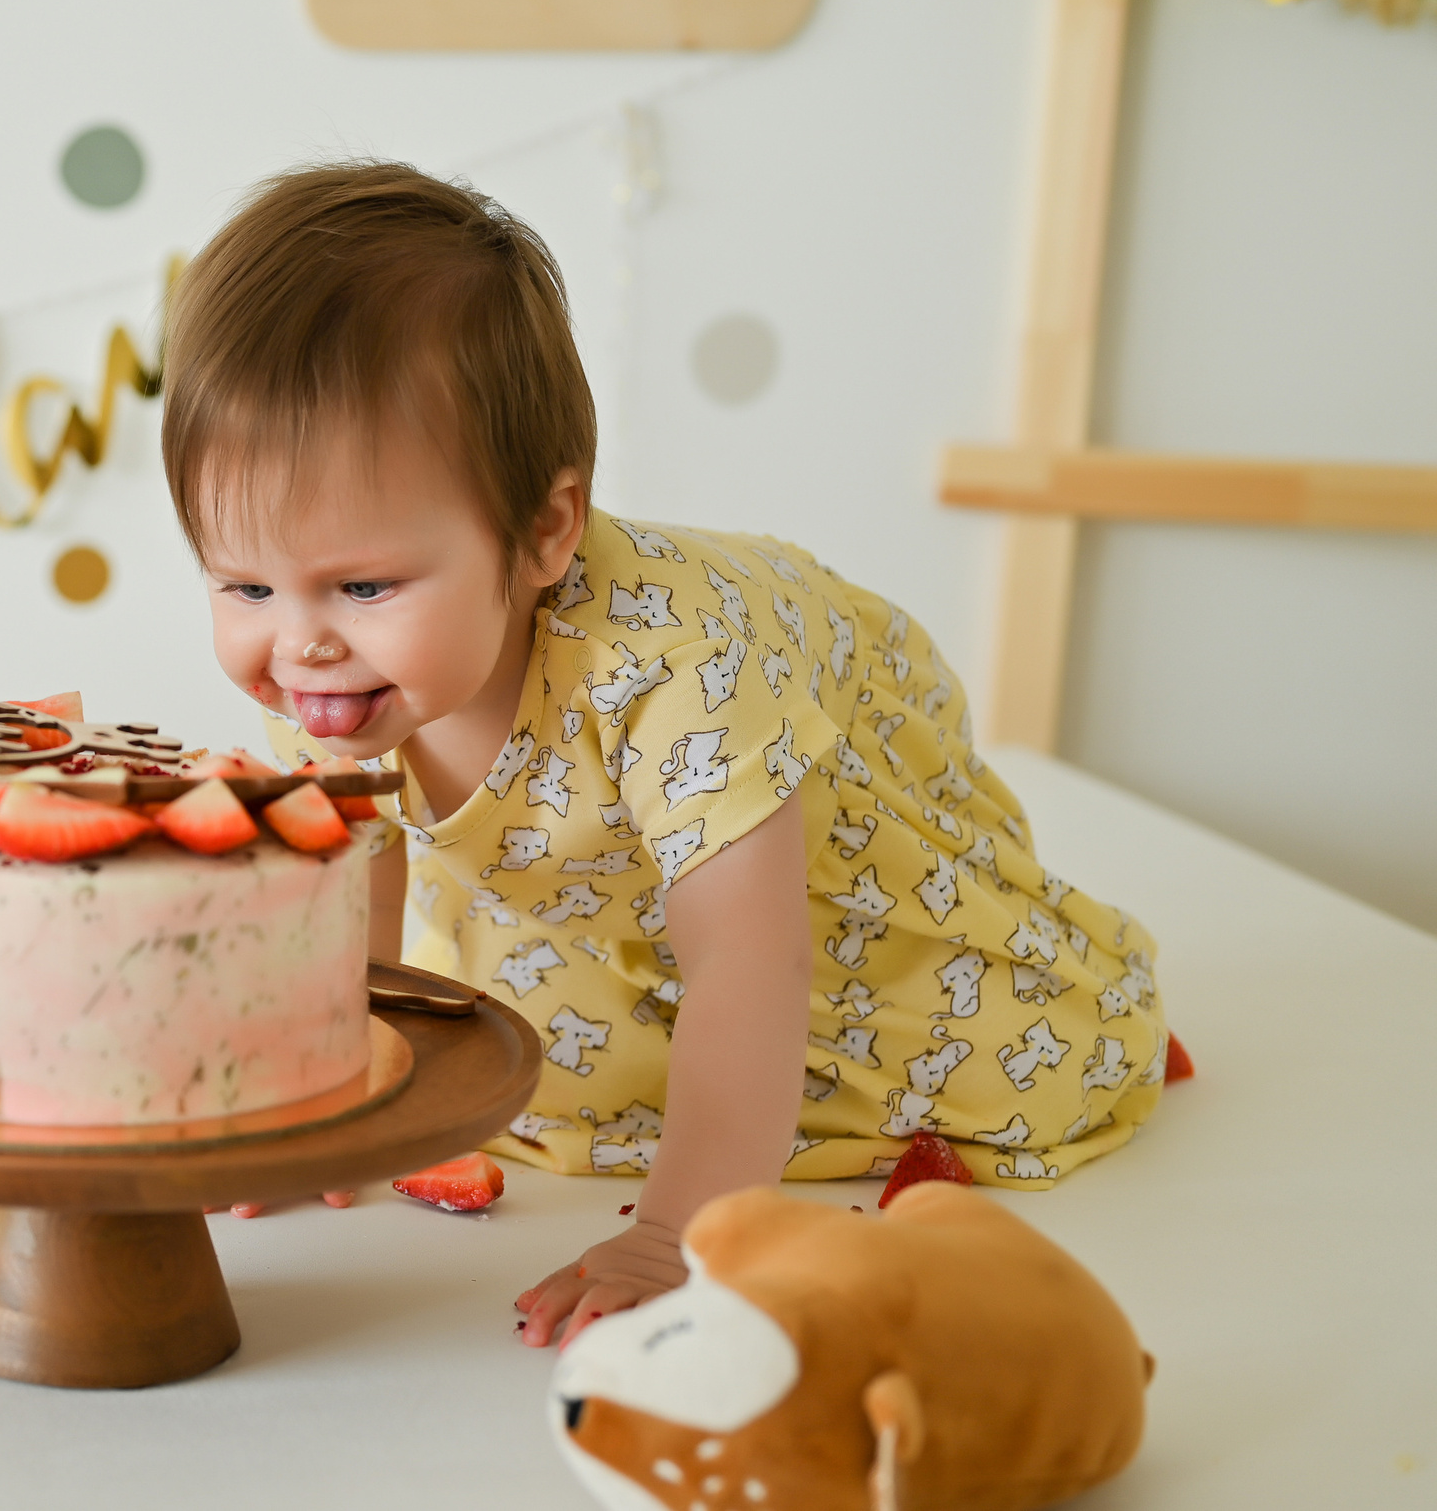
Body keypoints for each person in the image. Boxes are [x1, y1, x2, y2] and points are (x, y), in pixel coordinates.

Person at [157, 161, 1170, 1348]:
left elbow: (750, 961)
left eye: (364, 582)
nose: (299, 641)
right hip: (607, 895)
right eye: (242, 582)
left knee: (997, 1057)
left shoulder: (675, 667)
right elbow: (353, 883)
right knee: (534, 1067)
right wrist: (329, 1107)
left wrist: (680, 1224)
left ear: (542, 531)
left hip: (829, 887)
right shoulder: (333, 657)